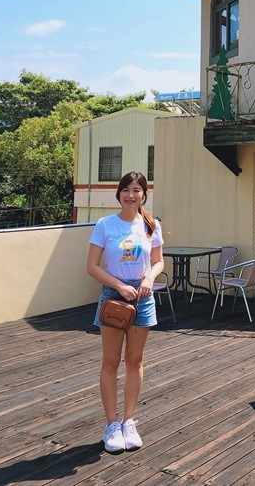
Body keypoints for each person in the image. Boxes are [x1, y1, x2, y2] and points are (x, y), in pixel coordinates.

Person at [86, 171, 164, 453]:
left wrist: (148, 280)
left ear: (144, 194)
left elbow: (158, 262)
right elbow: (92, 265)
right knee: (110, 361)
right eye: (126, 190)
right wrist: (119, 285)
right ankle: (111, 424)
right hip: (113, 296)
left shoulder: (151, 225)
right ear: (118, 193)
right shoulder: (105, 224)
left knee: (135, 360)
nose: (131, 195)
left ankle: (129, 421)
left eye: (137, 190)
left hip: (143, 297)